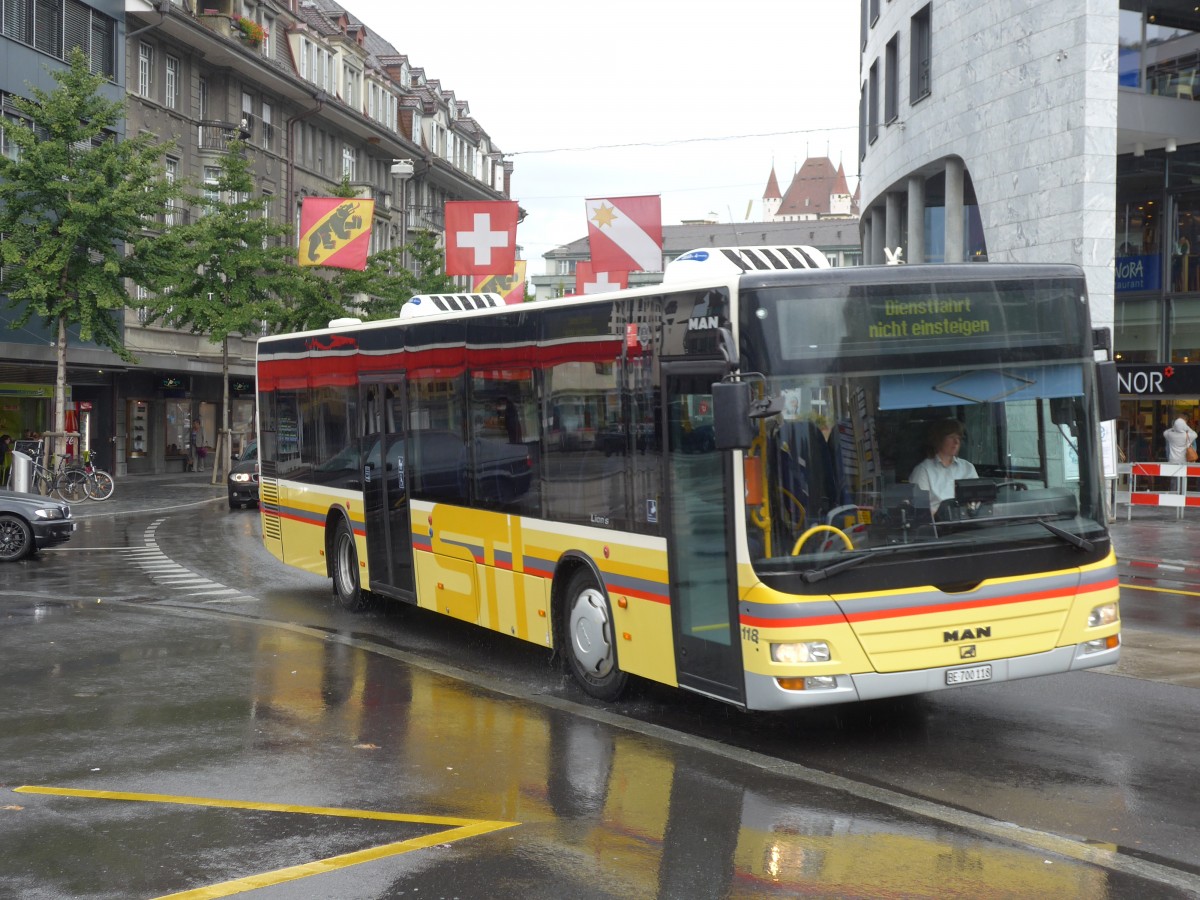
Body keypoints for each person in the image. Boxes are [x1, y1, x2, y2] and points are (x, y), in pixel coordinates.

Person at [909, 418, 978, 516]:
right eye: (952, 437)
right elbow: (920, 511)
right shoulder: (923, 470)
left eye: (959, 438)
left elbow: (977, 501)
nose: (956, 442)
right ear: (939, 439)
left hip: (966, 523)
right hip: (939, 527)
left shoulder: (968, 468)